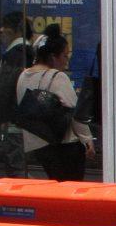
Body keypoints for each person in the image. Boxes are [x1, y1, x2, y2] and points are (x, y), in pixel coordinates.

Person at [16, 28, 96, 181]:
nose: (67, 61)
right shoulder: (58, 77)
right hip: (64, 145)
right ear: (53, 57)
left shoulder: (23, 76)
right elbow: (76, 114)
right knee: (71, 191)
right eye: (65, 56)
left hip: (37, 145)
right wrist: (87, 140)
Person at [0, 11, 33, 173]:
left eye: (6, 26)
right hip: (28, 122)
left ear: (17, 29)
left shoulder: (14, 54)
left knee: (15, 169)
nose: (1, 30)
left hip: (14, 123)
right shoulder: (29, 51)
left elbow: (4, 88)